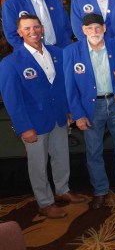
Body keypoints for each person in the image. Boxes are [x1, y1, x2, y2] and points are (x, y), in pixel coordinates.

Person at [0, 15, 85, 219]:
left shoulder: (57, 53)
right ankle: (45, 202)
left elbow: (64, 86)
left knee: (61, 156)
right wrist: (23, 127)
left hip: (58, 116)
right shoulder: (11, 62)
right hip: (33, 123)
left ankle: (62, 189)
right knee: (38, 164)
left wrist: (69, 109)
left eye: (36, 27)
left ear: (42, 29)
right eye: (27, 28)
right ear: (19, 32)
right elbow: (12, 99)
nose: (33, 31)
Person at [63, 14, 115, 209]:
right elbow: (70, 87)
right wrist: (78, 115)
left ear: (104, 28)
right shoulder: (71, 52)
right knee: (94, 151)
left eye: (97, 27)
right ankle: (100, 190)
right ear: (83, 31)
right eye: (89, 28)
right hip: (90, 108)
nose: (94, 32)